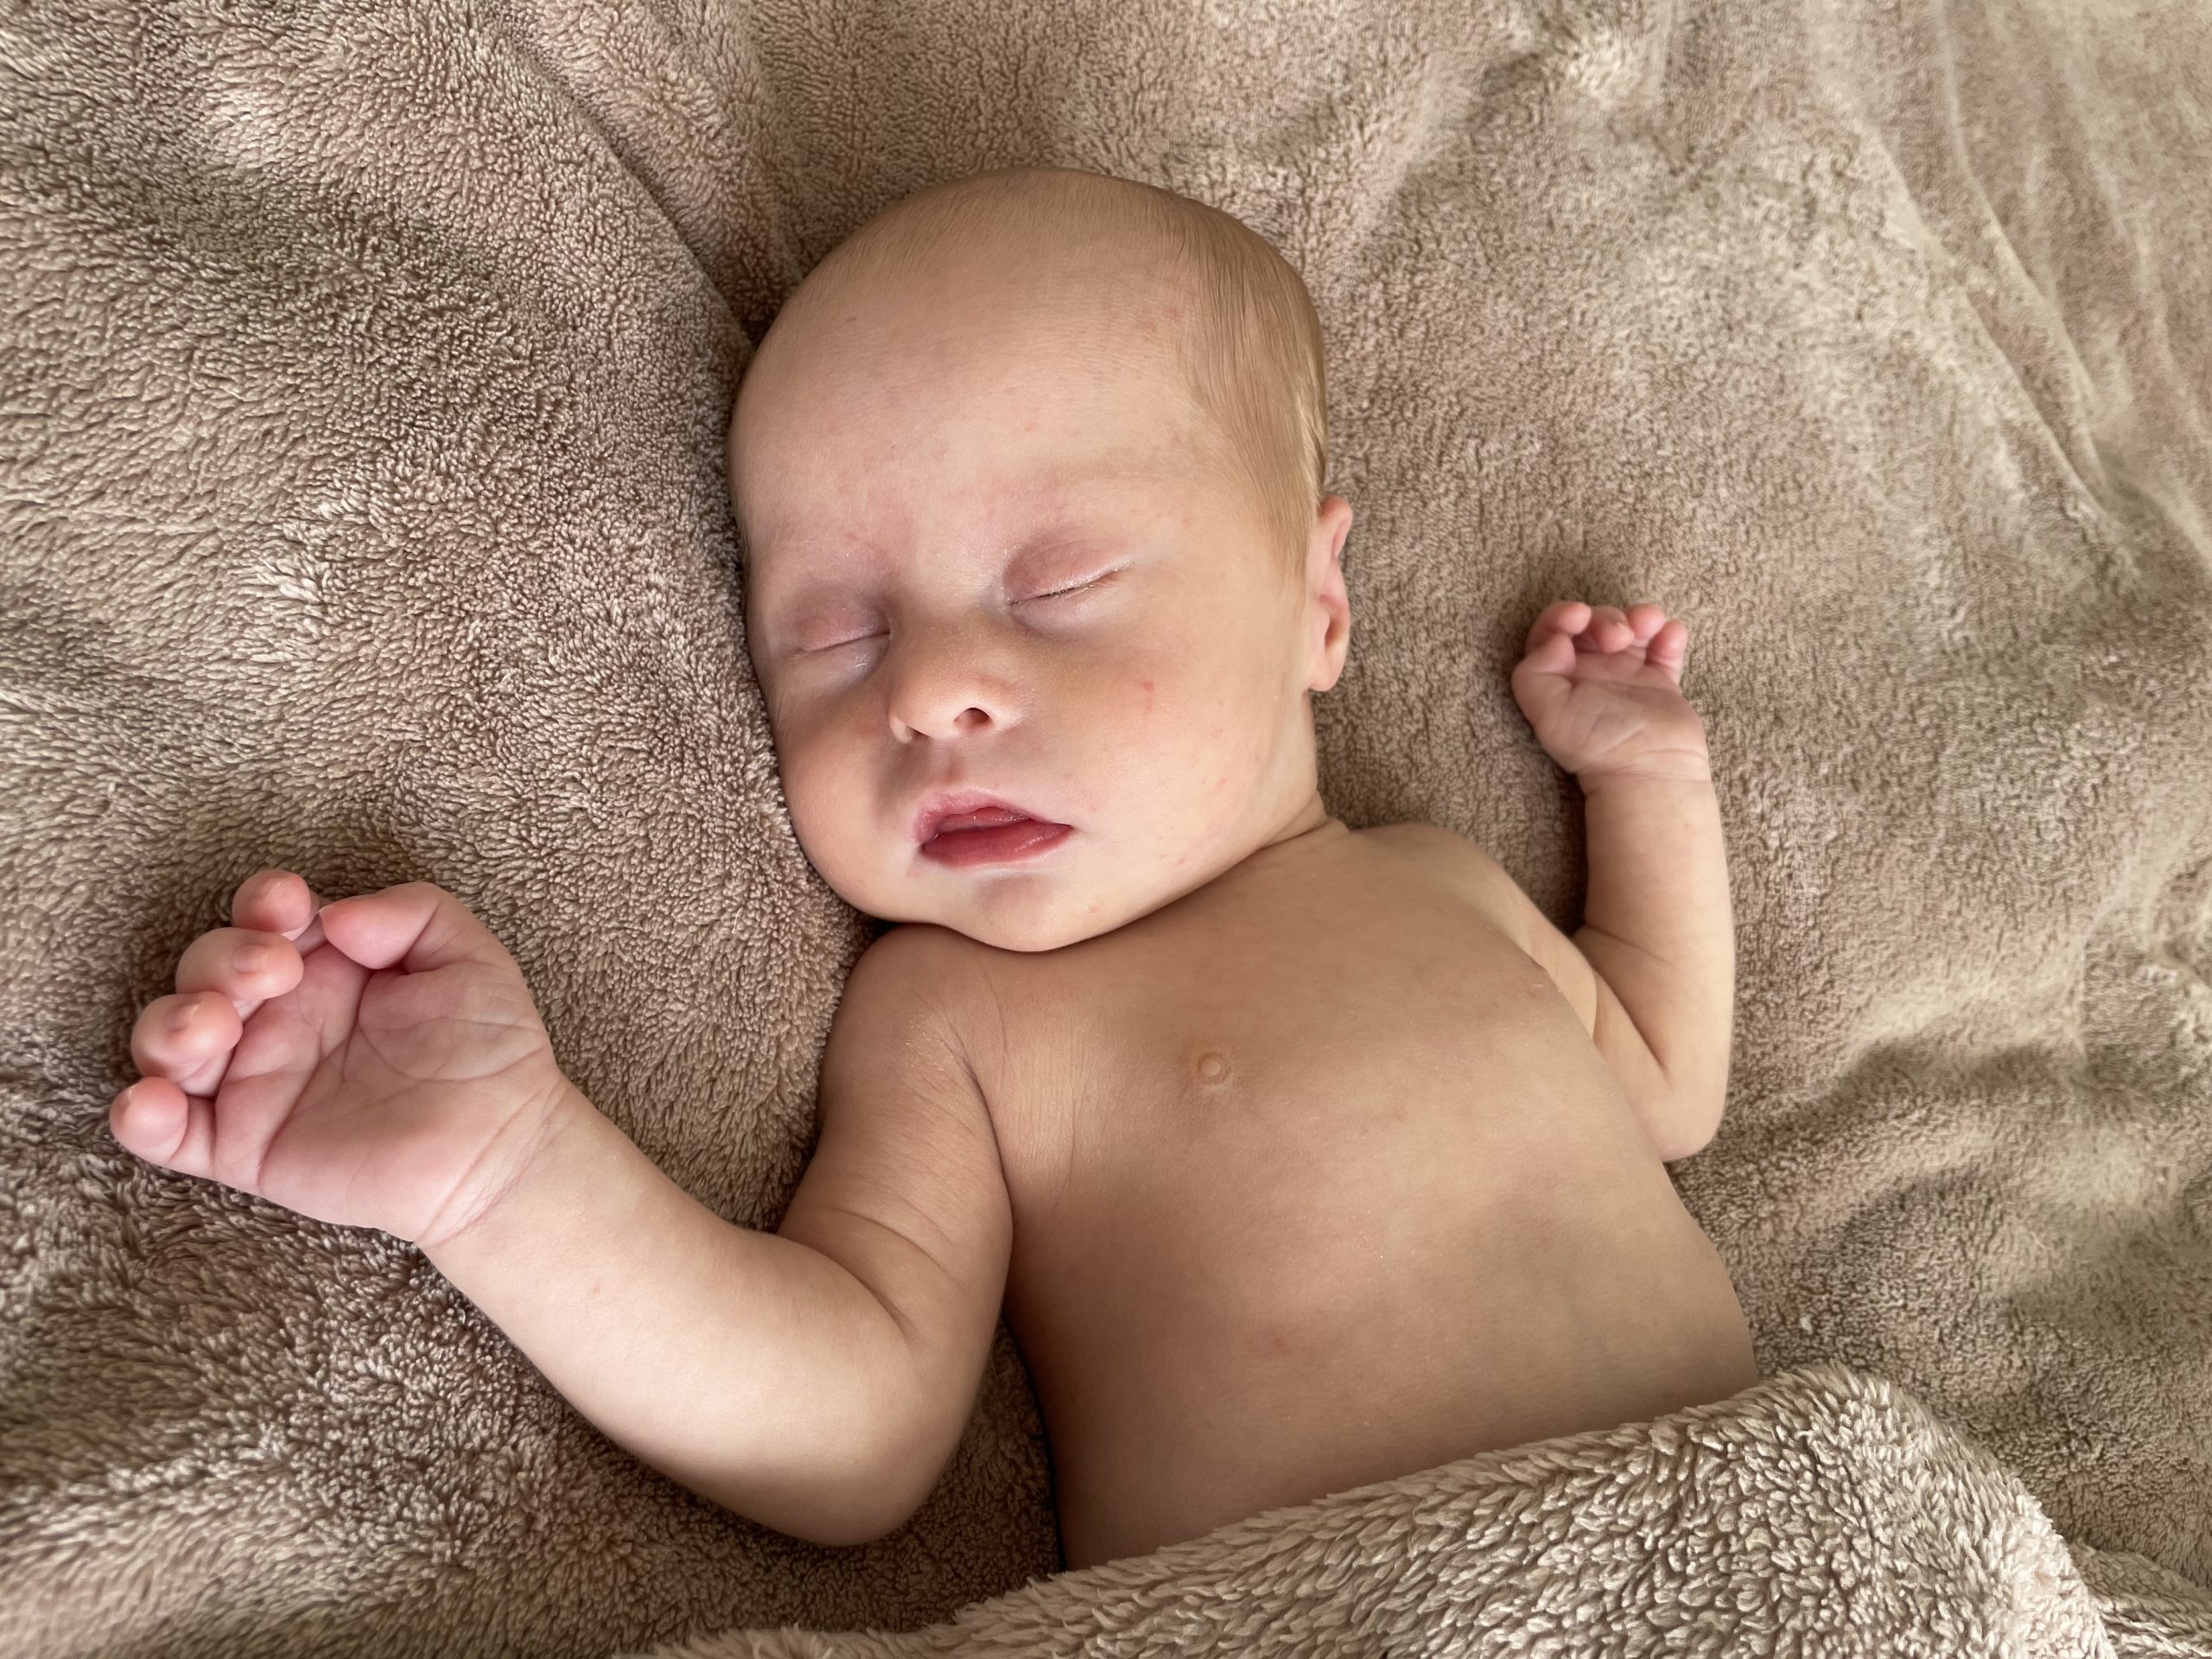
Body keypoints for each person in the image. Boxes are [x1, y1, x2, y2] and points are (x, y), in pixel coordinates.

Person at [110, 165, 1758, 1572]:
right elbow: (855, 1428)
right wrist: (502, 1180)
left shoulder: (1443, 887)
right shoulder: (960, 1018)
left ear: (1316, 606)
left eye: (1059, 584)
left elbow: (1668, 1084)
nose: (923, 691)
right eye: (834, 633)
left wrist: (1649, 776)